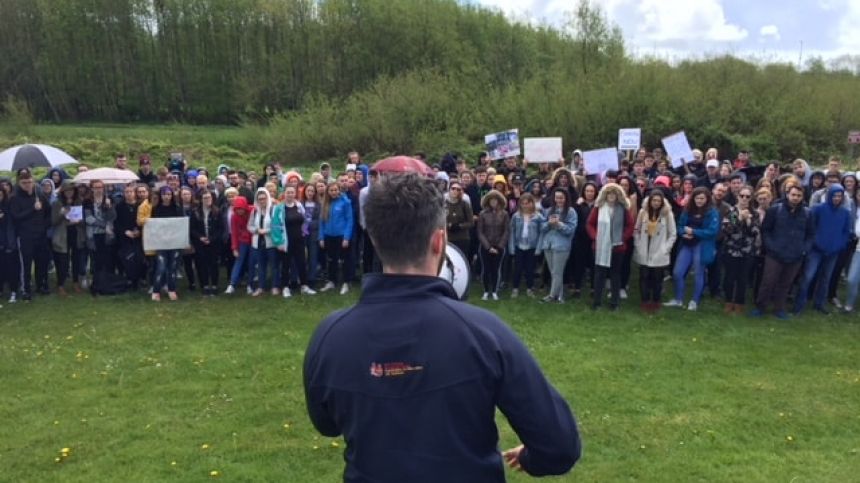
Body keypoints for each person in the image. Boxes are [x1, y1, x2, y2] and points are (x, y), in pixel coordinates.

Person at [303, 171, 581, 482]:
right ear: (440, 241)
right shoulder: (485, 333)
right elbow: (559, 447)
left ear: (374, 239)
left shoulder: (331, 335)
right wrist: (531, 459)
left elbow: (326, 424)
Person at [751, 185, 815, 319]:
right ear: (787, 194)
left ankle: (779, 308)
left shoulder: (808, 213)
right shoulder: (775, 210)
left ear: (802, 197)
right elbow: (766, 230)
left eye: (798, 195)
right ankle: (760, 306)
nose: (795, 198)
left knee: (786, 284)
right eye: (793, 195)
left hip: (796, 255)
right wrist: (771, 246)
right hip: (775, 254)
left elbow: (810, 235)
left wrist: (804, 249)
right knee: (768, 281)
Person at [792, 184, 852, 315]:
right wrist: (815, 244)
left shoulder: (845, 213)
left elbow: (846, 232)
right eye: (835, 195)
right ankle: (799, 304)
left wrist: (839, 245)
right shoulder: (818, 209)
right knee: (808, 276)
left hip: (833, 252)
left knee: (826, 278)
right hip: (816, 250)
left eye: (839, 196)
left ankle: (819, 303)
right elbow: (811, 228)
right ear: (829, 195)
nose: (837, 198)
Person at [665, 187, 719, 311]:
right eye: (697, 198)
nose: (699, 201)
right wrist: (682, 232)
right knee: (677, 272)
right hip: (687, 244)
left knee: (699, 274)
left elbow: (712, 231)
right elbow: (680, 225)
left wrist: (694, 232)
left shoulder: (712, 212)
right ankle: (678, 299)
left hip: (701, 245)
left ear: (707, 199)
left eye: (702, 198)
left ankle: (695, 301)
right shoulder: (687, 210)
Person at [586, 183, 634, 310]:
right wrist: (596, 237)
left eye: (614, 193)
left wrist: (622, 238)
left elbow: (630, 226)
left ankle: (615, 302)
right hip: (600, 246)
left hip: (617, 247)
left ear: (618, 195)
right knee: (599, 274)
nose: (611, 196)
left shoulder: (623, 209)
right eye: (609, 193)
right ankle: (597, 302)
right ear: (604, 195)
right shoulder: (599, 208)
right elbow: (590, 224)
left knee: (615, 274)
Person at [633, 190, 677, 313]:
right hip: (644, 248)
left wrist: (666, 249)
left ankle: (656, 301)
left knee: (658, 278)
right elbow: (636, 229)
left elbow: (672, 233)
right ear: (650, 201)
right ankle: (645, 300)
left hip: (659, 250)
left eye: (659, 201)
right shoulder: (643, 212)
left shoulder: (667, 214)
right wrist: (637, 244)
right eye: (654, 200)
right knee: (644, 276)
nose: (656, 203)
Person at [10, 172, 51, 300]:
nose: (27, 185)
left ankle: (41, 285)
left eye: (29, 182)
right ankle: (26, 289)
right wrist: (33, 209)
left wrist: (45, 226)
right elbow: (16, 217)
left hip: (41, 235)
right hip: (25, 236)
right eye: (24, 183)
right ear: (19, 183)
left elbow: (48, 212)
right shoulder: (15, 198)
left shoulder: (39, 195)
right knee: (26, 264)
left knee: (42, 262)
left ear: (33, 182)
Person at [720, 185, 761, 314]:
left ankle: (740, 302)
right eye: (742, 196)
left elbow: (755, 232)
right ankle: (728, 301)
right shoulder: (731, 212)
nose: (744, 198)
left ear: (751, 198)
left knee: (743, 278)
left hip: (747, 251)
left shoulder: (754, 213)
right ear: (738, 196)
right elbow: (727, 230)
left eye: (747, 196)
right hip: (732, 249)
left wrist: (748, 221)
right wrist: (739, 219)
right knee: (730, 277)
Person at [271, 185, 316, 297]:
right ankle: (285, 287)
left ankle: (304, 286)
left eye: (292, 192)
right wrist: (278, 242)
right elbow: (275, 226)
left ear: (295, 194)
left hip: (299, 240)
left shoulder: (299, 205)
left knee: (301, 263)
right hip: (286, 241)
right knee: (286, 265)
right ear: (284, 194)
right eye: (288, 192)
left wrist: (304, 232)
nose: (290, 195)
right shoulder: (279, 208)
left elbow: (305, 220)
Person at [539, 188, 576, 303]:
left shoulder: (571, 212)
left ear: (566, 198)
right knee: (553, 272)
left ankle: (551, 296)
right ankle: (559, 296)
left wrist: (559, 224)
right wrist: (549, 224)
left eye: (561, 198)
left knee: (557, 272)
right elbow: (542, 228)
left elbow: (570, 230)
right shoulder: (549, 210)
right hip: (548, 244)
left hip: (561, 246)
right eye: (557, 197)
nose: (559, 200)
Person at [319, 181, 354, 295]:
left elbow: (350, 220)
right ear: (328, 192)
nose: (333, 192)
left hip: (341, 236)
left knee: (344, 260)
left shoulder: (345, 202)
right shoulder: (325, 203)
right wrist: (321, 237)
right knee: (331, 260)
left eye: (335, 190)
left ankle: (346, 282)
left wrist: (346, 237)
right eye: (331, 190)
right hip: (329, 236)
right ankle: (332, 281)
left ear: (339, 190)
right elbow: (322, 222)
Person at [148, 187, 183, 301]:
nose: (166, 196)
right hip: (161, 242)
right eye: (164, 194)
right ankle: (156, 290)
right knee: (161, 267)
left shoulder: (177, 208)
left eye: (169, 194)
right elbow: (153, 225)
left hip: (175, 241)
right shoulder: (156, 209)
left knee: (172, 267)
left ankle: (171, 289)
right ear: (161, 196)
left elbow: (181, 225)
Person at [477, 189, 510, 301]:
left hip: (499, 247)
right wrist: (488, 247)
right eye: (491, 200)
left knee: (496, 269)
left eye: (496, 200)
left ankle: (495, 291)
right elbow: (480, 232)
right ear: (487, 201)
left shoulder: (504, 214)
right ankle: (486, 291)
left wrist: (500, 246)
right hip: (485, 247)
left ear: (500, 201)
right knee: (485, 269)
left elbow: (506, 231)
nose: (494, 202)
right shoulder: (482, 214)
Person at [509, 193, 543, 298]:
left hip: (532, 246)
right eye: (523, 203)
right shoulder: (516, 216)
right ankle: (515, 288)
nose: (525, 206)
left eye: (527, 203)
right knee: (518, 268)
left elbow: (541, 232)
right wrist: (511, 247)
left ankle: (530, 288)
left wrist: (539, 248)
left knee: (530, 269)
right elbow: (512, 232)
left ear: (532, 203)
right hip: (519, 245)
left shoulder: (538, 217)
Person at [190, 190, 223, 296]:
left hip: (214, 243)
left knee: (213, 264)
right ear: (201, 200)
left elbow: (220, 229)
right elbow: (192, 229)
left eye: (209, 198)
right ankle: (204, 285)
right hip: (200, 243)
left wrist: (212, 239)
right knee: (201, 264)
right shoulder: (195, 212)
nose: (207, 200)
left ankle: (214, 285)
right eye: (205, 198)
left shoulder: (217, 211)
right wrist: (200, 237)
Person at [247, 187, 279, 296]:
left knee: (274, 265)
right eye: (260, 199)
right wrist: (256, 230)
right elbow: (249, 226)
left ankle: (275, 286)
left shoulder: (273, 209)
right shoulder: (255, 211)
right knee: (261, 266)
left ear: (267, 198)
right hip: (258, 242)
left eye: (264, 198)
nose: (262, 201)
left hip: (271, 242)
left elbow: (277, 226)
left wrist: (265, 231)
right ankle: (261, 287)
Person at [225, 195, 253, 295]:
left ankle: (250, 284)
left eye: (241, 209)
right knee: (239, 261)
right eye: (237, 209)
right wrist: (235, 248)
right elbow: (234, 233)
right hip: (242, 242)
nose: (239, 211)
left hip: (253, 241)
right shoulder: (234, 217)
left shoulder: (253, 211)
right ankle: (232, 284)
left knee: (251, 263)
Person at [445, 180, 474, 259]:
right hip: (448, 237)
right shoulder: (443, 203)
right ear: (449, 189)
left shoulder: (464, 204)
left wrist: (459, 226)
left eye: (458, 189)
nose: (455, 191)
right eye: (453, 188)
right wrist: (448, 225)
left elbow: (471, 222)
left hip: (462, 238)